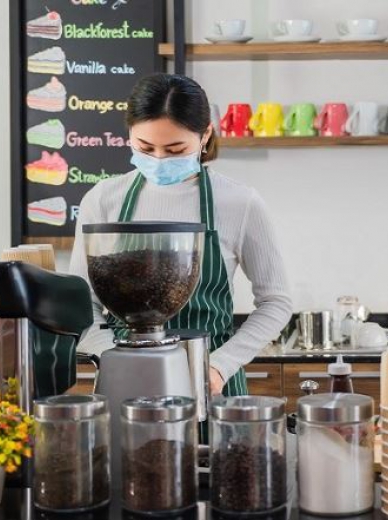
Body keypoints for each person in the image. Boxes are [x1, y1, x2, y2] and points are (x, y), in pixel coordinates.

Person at [70, 73, 293, 396]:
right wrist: (113, 359)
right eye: (145, 147)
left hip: (212, 384)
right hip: (125, 381)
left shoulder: (239, 203)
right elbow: (82, 306)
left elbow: (276, 302)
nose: (159, 159)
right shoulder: (104, 199)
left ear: (204, 136)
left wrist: (220, 365)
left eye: (175, 149)